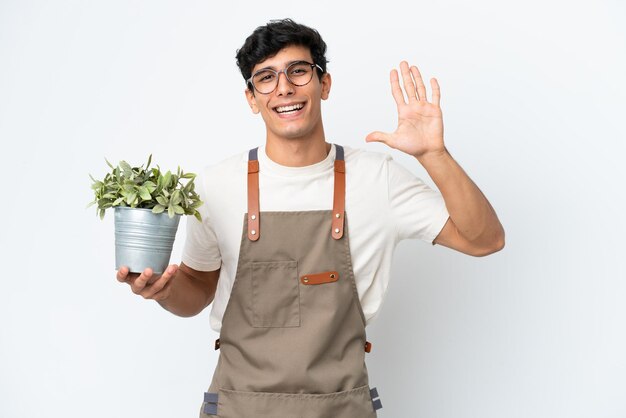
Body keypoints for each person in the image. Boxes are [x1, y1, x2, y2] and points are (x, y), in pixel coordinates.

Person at [117, 18, 504, 417]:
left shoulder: (377, 179)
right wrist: (164, 291)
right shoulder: (216, 186)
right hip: (238, 407)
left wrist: (433, 155)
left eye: (298, 71)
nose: (284, 87)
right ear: (251, 98)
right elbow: (197, 289)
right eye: (265, 77)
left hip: (342, 408)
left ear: (325, 83)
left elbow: (485, 240)